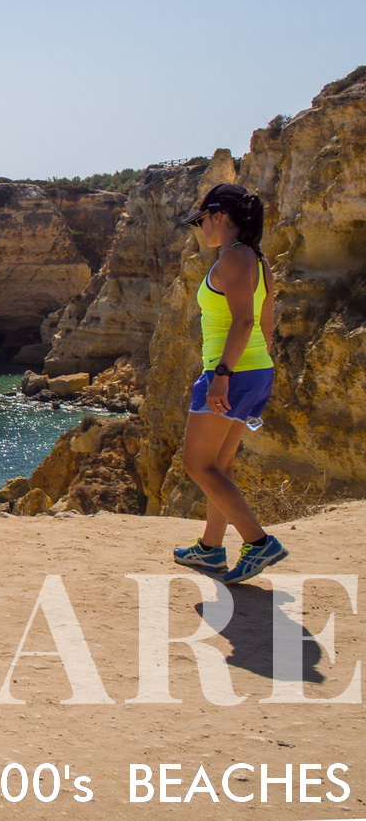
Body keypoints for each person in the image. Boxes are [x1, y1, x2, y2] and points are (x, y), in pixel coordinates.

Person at [172, 182, 287, 584]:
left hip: (230, 372)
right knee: (220, 465)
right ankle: (209, 550)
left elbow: (244, 320)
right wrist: (250, 369)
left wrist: (221, 376)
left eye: (202, 220)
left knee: (197, 464)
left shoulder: (233, 259)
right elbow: (267, 324)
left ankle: (258, 542)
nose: (201, 228)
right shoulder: (257, 260)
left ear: (219, 216)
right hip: (254, 368)